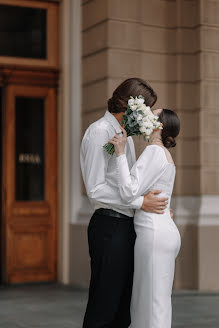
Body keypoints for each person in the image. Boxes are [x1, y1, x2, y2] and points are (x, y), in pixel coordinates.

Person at [80, 78, 169, 328]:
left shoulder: (125, 137)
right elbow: (95, 189)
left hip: (126, 227)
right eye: (146, 109)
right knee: (104, 305)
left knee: (122, 309)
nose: (149, 115)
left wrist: (158, 206)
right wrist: (142, 203)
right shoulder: (99, 132)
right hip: (108, 226)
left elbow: (128, 183)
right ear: (131, 106)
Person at [109, 108, 181, 328]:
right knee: (155, 303)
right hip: (163, 230)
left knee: (149, 304)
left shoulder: (154, 152)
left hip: (153, 234)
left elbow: (128, 191)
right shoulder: (163, 154)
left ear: (158, 126)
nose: (145, 115)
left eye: (152, 114)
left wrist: (120, 154)